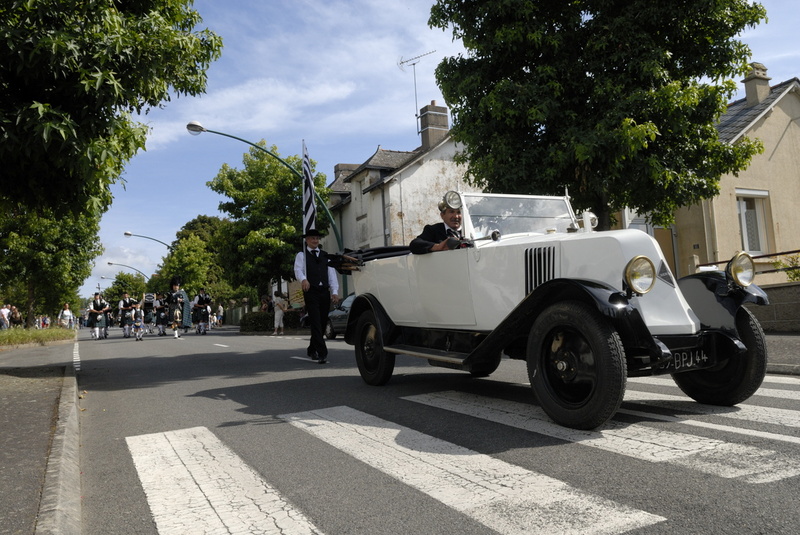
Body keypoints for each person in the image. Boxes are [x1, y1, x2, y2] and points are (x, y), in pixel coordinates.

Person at [294, 229, 339, 363]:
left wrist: (335, 291)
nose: (315, 240)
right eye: (312, 238)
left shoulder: (325, 255)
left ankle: (312, 349)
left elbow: (332, 275)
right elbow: (298, 269)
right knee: (315, 321)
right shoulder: (302, 255)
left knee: (323, 322)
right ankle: (322, 352)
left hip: (324, 291)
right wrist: (303, 279)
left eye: (317, 238)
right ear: (307, 240)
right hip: (311, 291)